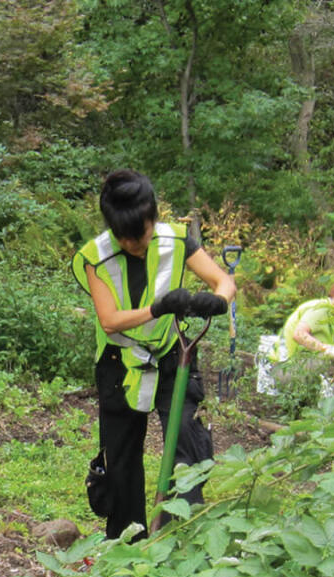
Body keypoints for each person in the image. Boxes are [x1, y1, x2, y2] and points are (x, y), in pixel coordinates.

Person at [71, 169, 235, 540]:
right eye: (124, 237)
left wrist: (218, 300)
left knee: (189, 447)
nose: (133, 244)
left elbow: (223, 281)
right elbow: (110, 320)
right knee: (122, 463)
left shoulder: (175, 240)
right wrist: (158, 308)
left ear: (153, 218)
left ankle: (183, 538)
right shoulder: (95, 256)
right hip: (119, 365)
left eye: (140, 234)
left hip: (172, 357)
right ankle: (127, 547)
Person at [281, 280, 334, 363]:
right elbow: (299, 334)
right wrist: (326, 349)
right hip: (290, 364)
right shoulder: (321, 308)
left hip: (305, 361)